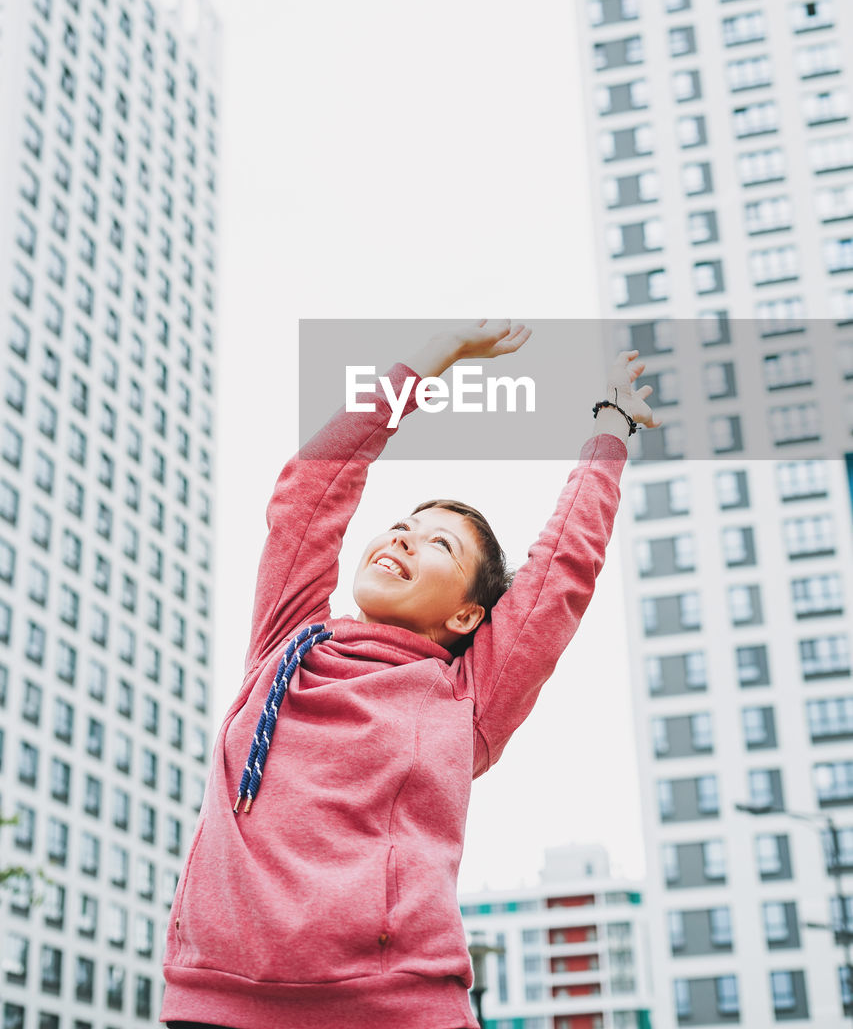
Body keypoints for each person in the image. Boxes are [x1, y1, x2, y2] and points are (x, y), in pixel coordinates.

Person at [161, 321, 656, 1029]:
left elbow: (557, 575)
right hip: (220, 1004)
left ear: (464, 617)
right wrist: (432, 360)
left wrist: (608, 431)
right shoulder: (284, 640)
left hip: (394, 1009)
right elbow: (312, 490)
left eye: (438, 544)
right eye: (402, 524)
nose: (402, 536)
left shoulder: (467, 697)